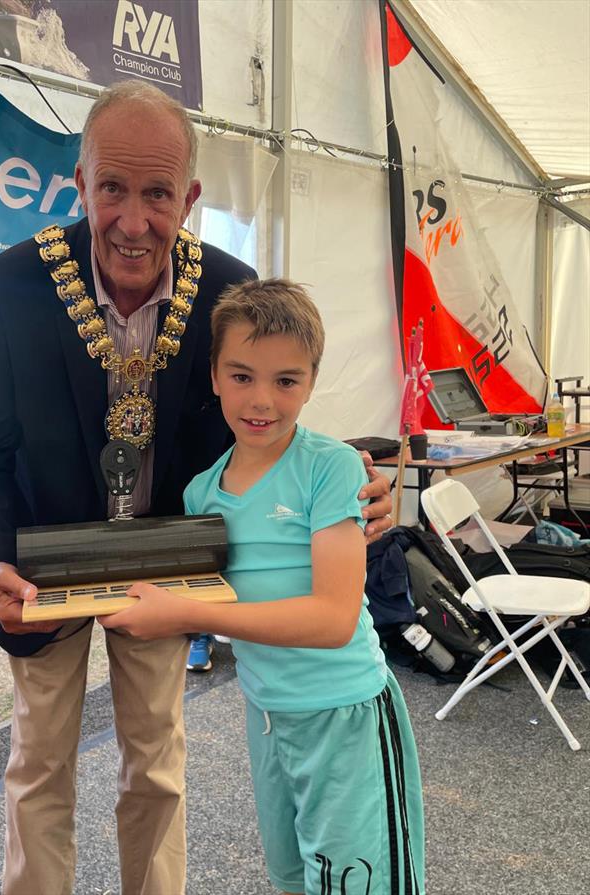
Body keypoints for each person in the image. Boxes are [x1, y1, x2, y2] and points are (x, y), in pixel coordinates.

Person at [0, 81, 394, 895]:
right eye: (112, 187)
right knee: (38, 764)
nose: (133, 219)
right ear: (79, 183)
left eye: (158, 193)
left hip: (166, 566)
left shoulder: (228, 285)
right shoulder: (10, 286)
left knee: (156, 763)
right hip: (43, 566)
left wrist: (352, 478)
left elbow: (265, 421)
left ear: (188, 198)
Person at [100, 279, 425, 895]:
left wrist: (183, 614)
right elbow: (176, 587)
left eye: (286, 381)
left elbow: (332, 620)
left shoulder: (330, 466)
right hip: (269, 716)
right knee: (295, 878)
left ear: (312, 379)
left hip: (345, 712)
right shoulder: (202, 493)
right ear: (215, 375)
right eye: (242, 376)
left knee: (355, 883)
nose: (262, 401)